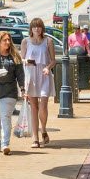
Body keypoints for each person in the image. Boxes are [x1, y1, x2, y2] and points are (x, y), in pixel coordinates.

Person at [21, 19, 54, 148]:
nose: (37, 29)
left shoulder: (48, 41)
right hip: (31, 75)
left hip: (44, 74)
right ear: (31, 29)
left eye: (39, 27)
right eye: (34, 27)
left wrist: (48, 68)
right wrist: (25, 61)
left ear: (42, 28)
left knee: (43, 104)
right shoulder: (25, 41)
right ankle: (35, 138)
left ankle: (43, 129)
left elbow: (53, 60)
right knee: (34, 107)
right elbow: (21, 59)